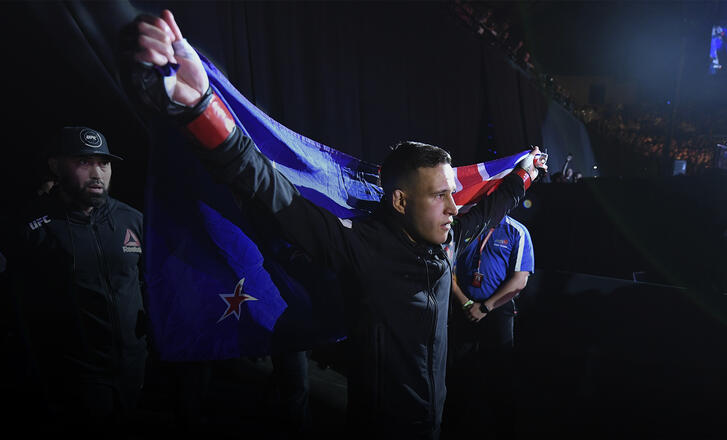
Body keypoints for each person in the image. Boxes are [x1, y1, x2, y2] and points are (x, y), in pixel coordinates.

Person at [126, 10, 546, 439]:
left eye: (451, 195)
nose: (453, 208)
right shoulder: (362, 249)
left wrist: (525, 173)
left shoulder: (443, 241)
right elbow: (269, 188)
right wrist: (201, 108)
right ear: (400, 200)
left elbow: (487, 213)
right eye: (441, 196)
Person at [4, 126, 147, 436]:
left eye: (103, 163)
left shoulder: (132, 220)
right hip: (73, 377)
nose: (98, 173)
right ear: (55, 166)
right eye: (84, 162)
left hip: (135, 370)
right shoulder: (34, 227)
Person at [443, 215, 534, 439]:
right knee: (456, 374)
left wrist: (485, 307)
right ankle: (451, 427)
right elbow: (447, 268)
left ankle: (504, 428)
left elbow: (520, 280)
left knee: (499, 374)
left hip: (497, 312)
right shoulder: (464, 226)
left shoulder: (517, 231)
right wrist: (465, 302)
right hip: (463, 307)